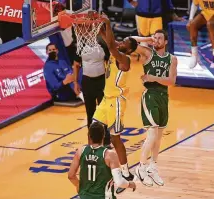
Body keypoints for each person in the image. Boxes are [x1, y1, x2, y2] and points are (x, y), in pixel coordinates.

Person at [92, 16, 138, 194]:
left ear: (130, 49)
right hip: (106, 99)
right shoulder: (117, 49)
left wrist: (109, 23)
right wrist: (99, 24)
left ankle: (125, 174)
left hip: (117, 102)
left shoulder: (124, 60)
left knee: (115, 139)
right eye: (122, 41)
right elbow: (106, 38)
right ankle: (97, 164)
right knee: (94, 128)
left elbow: (111, 45)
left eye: (124, 43)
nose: (121, 43)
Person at [130, 29, 177, 187]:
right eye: (154, 38)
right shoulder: (148, 53)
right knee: (152, 133)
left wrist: (152, 77)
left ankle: (153, 167)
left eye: (159, 38)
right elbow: (129, 41)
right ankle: (141, 167)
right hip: (150, 96)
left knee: (158, 137)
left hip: (164, 97)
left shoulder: (172, 59)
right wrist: (147, 38)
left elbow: (171, 81)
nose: (156, 40)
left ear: (166, 42)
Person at [68, 122, 136, 199]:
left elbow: (71, 175)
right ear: (103, 135)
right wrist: (130, 184)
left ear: (89, 136)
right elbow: (119, 182)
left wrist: (79, 186)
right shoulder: (110, 155)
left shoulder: (80, 151)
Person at [72, 37, 111, 146]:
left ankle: (107, 140)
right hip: (87, 82)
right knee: (90, 113)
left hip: (101, 81)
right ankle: (92, 141)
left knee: (105, 111)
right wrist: (75, 82)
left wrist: (110, 80)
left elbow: (109, 62)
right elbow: (76, 65)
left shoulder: (102, 45)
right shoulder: (80, 47)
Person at [186, 0, 214, 69]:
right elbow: (195, 4)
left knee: (210, 24)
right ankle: (194, 54)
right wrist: (190, 19)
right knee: (192, 25)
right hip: (205, 14)